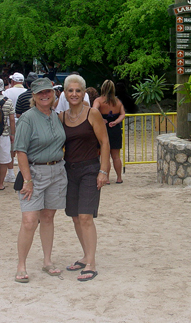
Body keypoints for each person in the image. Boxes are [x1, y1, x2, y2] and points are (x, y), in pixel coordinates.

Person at [13, 78, 67, 283]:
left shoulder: (56, 116)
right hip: (34, 173)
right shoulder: (27, 118)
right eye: (40, 93)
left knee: (48, 217)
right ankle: (21, 265)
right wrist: (27, 179)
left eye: (48, 92)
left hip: (57, 171)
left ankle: (47, 260)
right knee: (28, 221)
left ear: (53, 94)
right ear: (33, 97)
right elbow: (20, 151)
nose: (45, 95)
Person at [59, 74, 110, 282]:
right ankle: (85, 255)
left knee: (86, 217)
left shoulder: (93, 114)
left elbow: (104, 142)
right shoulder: (61, 117)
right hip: (68, 171)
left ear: (84, 93)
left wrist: (104, 170)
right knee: (74, 216)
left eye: (78, 90)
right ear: (64, 93)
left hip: (89, 169)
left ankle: (91, 262)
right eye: (70, 91)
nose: (74, 94)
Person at [93, 80, 126, 184]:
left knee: (105, 156)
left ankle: (106, 178)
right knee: (116, 156)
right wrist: (116, 122)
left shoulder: (99, 100)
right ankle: (119, 177)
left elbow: (94, 111)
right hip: (115, 129)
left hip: (103, 129)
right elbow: (122, 114)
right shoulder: (117, 101)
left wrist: (101, 119)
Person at [3, 72, 28, 183]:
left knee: (11, 149)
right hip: (24, 122)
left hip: (10, 122)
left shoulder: (8, 92)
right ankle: (22, 171)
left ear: (13, 81)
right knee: (24, 148)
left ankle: (11, 173)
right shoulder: (26, 92)